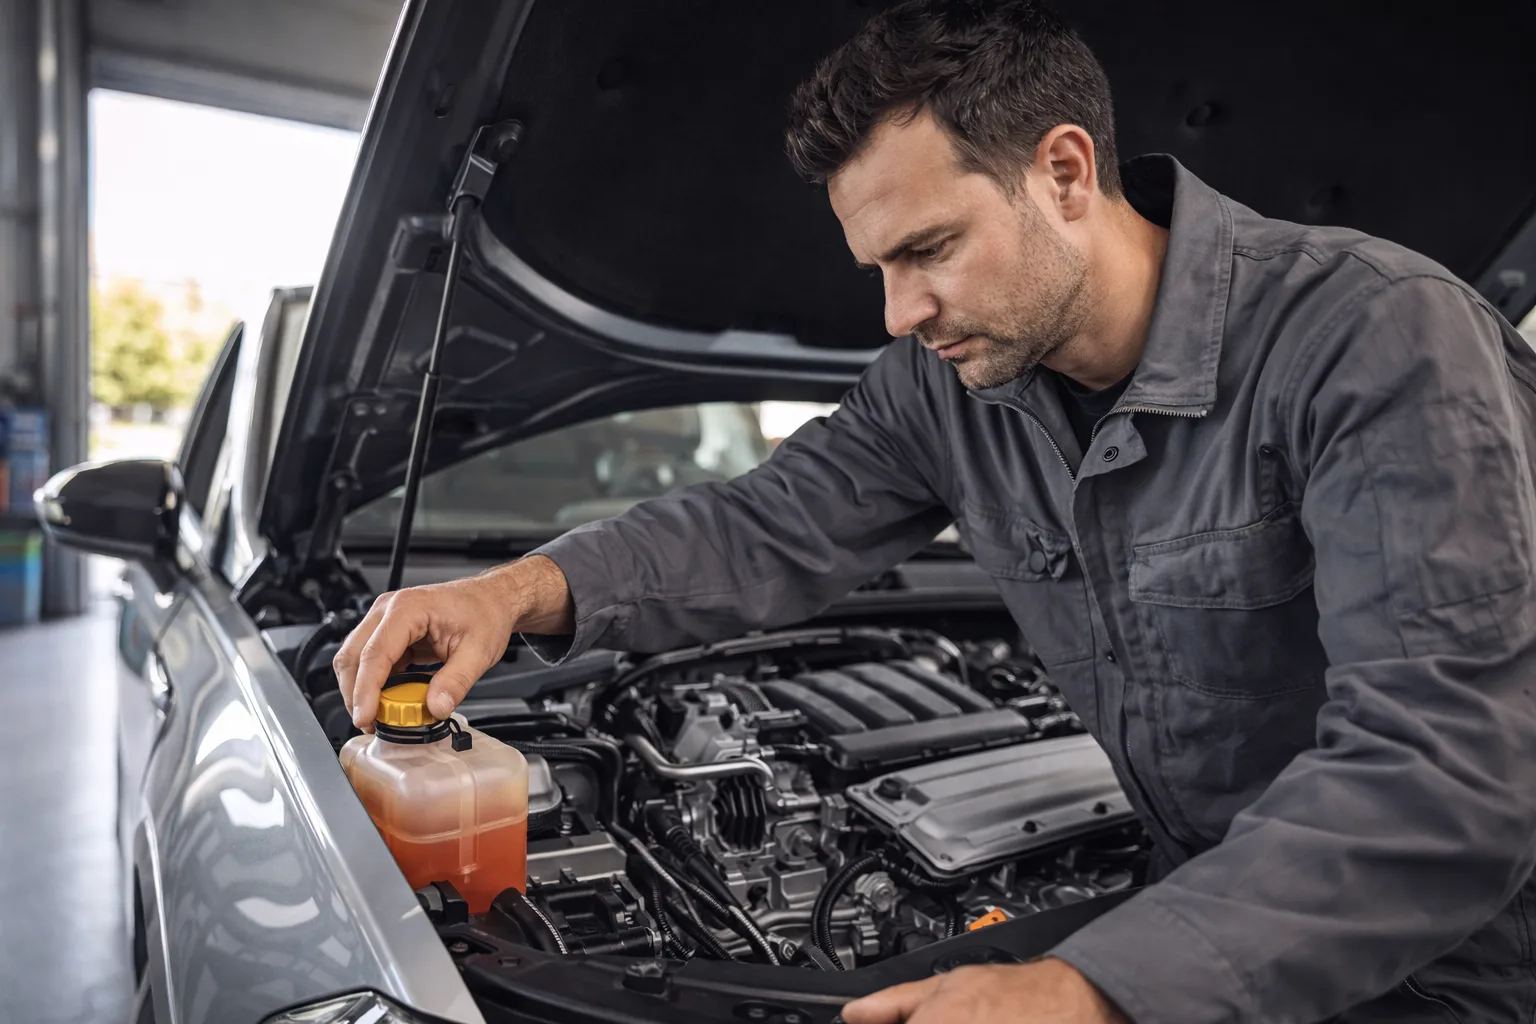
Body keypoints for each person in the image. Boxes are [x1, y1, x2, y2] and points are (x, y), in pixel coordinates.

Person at [332, 2, 1536, 1020]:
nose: (900, 313)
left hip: (1455, 958)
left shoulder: (1374, 339)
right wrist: (514, 591)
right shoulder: (951, 387)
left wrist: (1092, 988)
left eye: (930, 249)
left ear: (1065, 172)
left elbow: (1441, 772)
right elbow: (766, 524)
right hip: (1199, 900)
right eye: (880, 269)